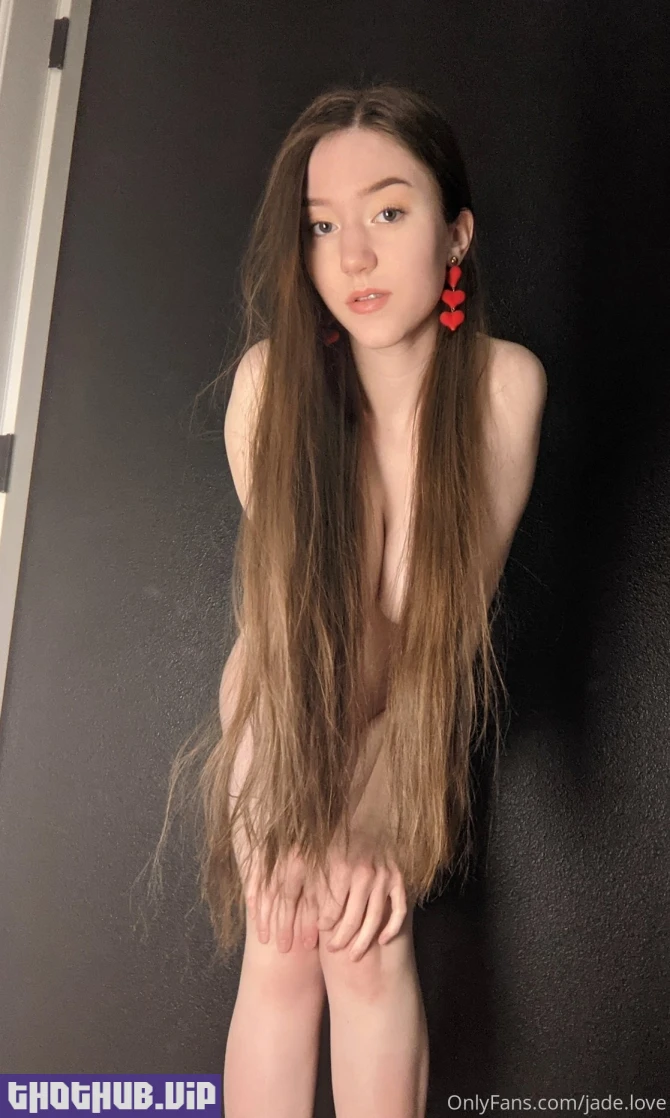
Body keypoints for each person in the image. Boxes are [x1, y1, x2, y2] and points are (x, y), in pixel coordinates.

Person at [158, 81, 547, 1118]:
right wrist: (294, 796)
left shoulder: (502, 388)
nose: (354, 256)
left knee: (366, 943)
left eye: (389, 211)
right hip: (285, 705)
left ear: (456, 234)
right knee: (286, 937)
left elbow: (445, 638)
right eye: (322, 226)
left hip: (411, 713)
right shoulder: (268, 387)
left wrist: (378, 810)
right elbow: (290, 636)